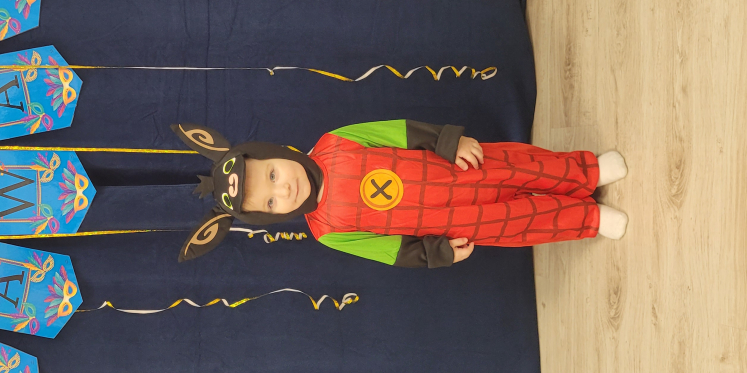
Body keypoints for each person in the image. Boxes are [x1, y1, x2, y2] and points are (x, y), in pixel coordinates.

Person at [171, 121, 627, 267]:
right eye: (271, 202)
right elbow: (390, 251)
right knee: (519, 222)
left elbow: (399, 132)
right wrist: (436, 253)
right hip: (453, 223)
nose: (284, 189)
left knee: (520, 165)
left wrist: (446, 142)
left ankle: (587, 172)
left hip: (457, 169)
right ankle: (588, 219)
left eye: (272, 175)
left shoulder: (334, 143)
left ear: (277, 151)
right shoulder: (326, 230)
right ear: (271, 217)